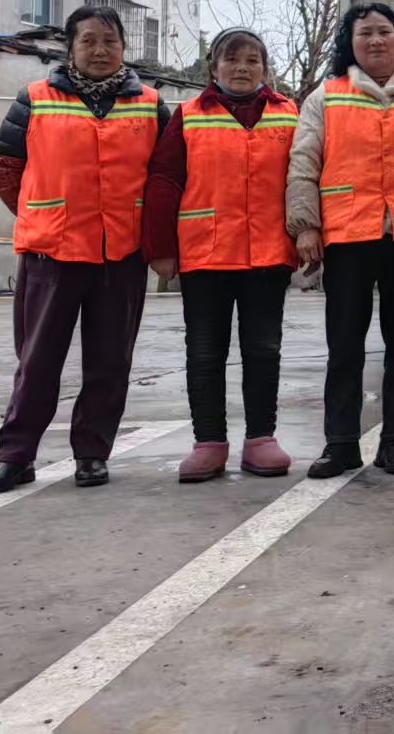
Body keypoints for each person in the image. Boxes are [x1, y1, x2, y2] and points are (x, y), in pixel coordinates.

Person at [0, 5, 169, 495]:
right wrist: (38, 214)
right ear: (70, 47)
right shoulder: (36, 97)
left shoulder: (150, 105)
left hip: (121, 253)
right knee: (37, 362)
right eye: (88, 41)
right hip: (52, 253)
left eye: (110, 41)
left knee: (110, 362)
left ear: (124, 47)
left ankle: (92, 454)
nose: (100, 51)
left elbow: (167, 177)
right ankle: (16, 457)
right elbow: (4, 166)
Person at [286, 3, 394, 479]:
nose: (376, 40)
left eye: (385, 31)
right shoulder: (327, 96)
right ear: (351, 43)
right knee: (344, 346)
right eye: (365, 33)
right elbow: (303, 163)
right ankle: (341, 443)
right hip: (347, 236)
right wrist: (305, 225)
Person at [142, 27, 299, 483]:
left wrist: (310, 233)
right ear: (214, 67)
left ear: (265, 68)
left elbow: (306, 176)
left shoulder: (289, 114)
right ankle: (208, 443)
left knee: (264, 350)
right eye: (232, 59)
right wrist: (161, 249)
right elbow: (164, 181)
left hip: (269, 254)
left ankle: (261, 439)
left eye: (252, 60)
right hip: (205, 255)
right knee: (205, 351)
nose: (242, 68)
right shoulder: (189, 115)